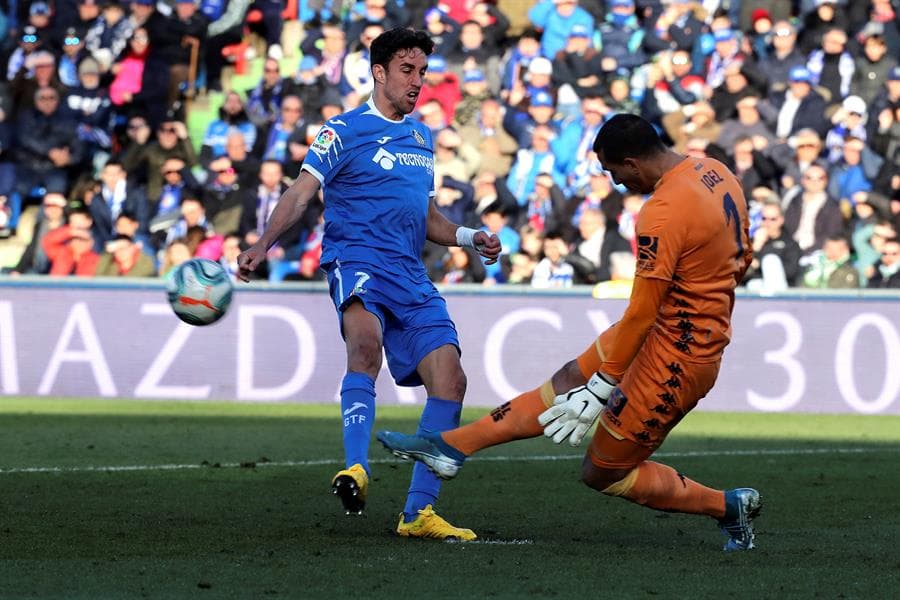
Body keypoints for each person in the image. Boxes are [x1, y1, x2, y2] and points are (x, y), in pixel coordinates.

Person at [377, 114, 762, 552]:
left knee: (602, 471)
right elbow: (743, 252)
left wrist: (603, 387)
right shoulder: (715, 171)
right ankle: (451, 447)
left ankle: (727, 507)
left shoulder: (663, 211)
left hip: (680, 353)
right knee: (564, 382)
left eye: (613, 172)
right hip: (666, 327)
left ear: (632, 163)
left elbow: (642, 308)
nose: (616, 183)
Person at [236, 28, 500, 540]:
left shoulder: (421, 138)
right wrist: (263, 243)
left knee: (452, 379)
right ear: (379, 72)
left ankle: (417, 514)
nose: (417, 81)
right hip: (357, 258)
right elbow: (300, 193)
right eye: (407, 70)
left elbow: (428, 219)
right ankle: (355, 466)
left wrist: (470, 237)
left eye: (423, 71)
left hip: (409, 271)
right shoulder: (342, 130)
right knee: (365, 346)